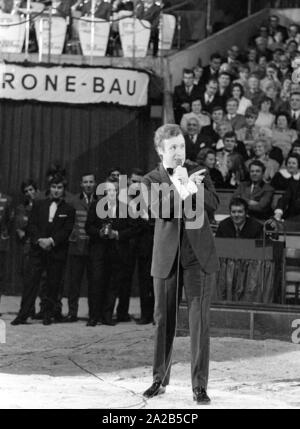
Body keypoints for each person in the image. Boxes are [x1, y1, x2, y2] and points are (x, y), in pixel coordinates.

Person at [142, 124, 219, 404]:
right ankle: (159, 379)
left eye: (182, 146)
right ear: (161, 150)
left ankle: (199, 385)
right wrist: (185, 187)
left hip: (198, 255)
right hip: (167, 258)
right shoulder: (150, 179)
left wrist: (193, 187)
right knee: (164, 320)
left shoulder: (201, 172)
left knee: (200, 322)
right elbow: (159, 209)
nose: (179, 152)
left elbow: (213, 203)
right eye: (173, 147)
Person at [11, 174, 75, 326]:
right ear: (49, 189)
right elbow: (32, 225)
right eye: (54, 187)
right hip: (37, 250)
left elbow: (66, 231)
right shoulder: (39, 205)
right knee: (30, 283)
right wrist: (40, 240)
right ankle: (23, 315)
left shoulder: (69, 209)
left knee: (53, 284)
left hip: (56, 251)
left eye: (59, 188)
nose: (56, 191)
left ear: (64, 190)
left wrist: (51, 241)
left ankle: (48, 315)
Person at [85, 180, 141, 326]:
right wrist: (99, 232)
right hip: (98, 250)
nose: (111, 193)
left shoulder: (126, 208)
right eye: (108, 191)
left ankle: (107, 315)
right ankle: (94, 316)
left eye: (114, 190)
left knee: (112, 284)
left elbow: (133, 228)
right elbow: (88, 227)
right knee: (96, 283)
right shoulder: (95, 207)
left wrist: (117, 234)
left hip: (117, 251)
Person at [66, 173, 97, 323]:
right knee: (74, 282)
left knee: (93, 283)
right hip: (76, 247)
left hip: (93, 247)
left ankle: (93, 314)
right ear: (81, 184)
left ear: (95, 183)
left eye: (91, 182)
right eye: (85, 182)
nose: (88, 184)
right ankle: (72, 313)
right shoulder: (73, 201)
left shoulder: (100, 201)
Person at [127, 168, 154, 324]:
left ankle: (152, 315)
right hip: (132, 247)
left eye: (139, 181)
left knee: (151, 282)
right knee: (142, 283)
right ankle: (145, 314)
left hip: (149, 247)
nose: (136, 185)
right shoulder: (126, 199)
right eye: (134, 181)